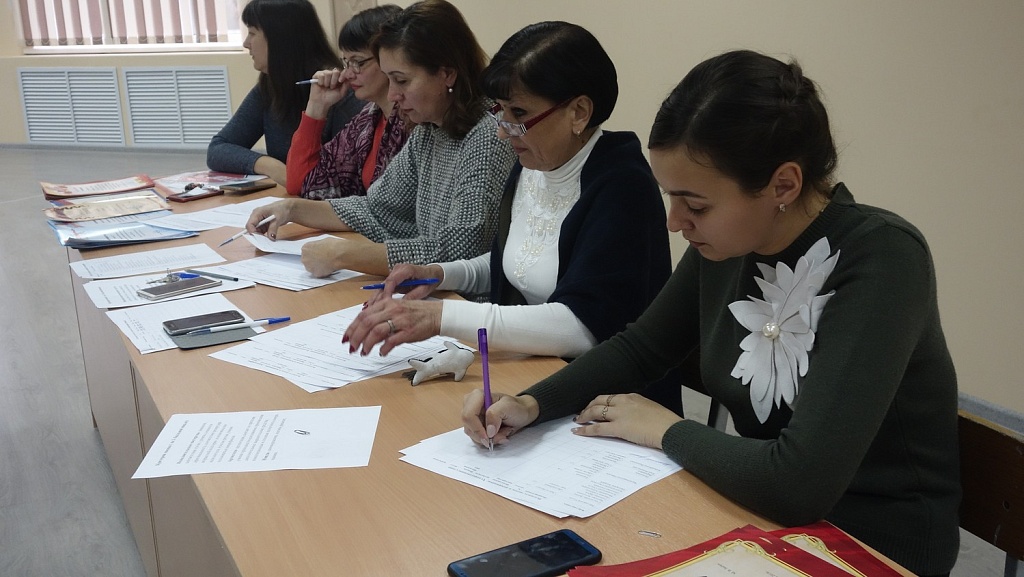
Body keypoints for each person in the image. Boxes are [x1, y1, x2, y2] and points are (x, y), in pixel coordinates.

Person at [461, 50, 960, 577]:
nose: (675, 222)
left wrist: (664, 429)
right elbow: (642, 348)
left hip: (870, 542)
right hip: (756, 510)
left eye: (695, 205)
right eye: (672, 198)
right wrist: (530, 403)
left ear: (783, 185)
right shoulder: (732, 241)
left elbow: (799, 484)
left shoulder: (883, 258)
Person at [341, 22, 673, 370]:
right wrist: (440, 273)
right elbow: (518, 263)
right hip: (537, 368)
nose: (502, 132)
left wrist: (441, 316)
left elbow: (582, 327)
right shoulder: (534, 164)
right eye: (500, 111)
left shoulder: (622, 186)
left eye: (519, 114)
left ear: (579, 112)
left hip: (607, 388)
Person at [245, 0, 515, 278]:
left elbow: (463, 248)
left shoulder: (488, 134)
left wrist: (345, 255)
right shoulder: (430, 127)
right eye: (389, 79)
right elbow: (378, 208)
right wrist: (291, 208)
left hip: (463, 297)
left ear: (447, 74)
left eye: (402, 80)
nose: (393, 94)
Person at [207, 0, 364, 186]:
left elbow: (345, 179)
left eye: (252, 33)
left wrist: (292, 176)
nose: (246, 43)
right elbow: (218, 149)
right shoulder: (270, 86)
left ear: (279, 38)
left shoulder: (336, 90)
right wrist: (270, 165)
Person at [285, 4, 410, 198]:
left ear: (389, 59)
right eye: (345, 62)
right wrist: (316, 106)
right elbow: (300, 184)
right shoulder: (366, 121)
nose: (347, 74)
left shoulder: (415, 121)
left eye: (357, 62)